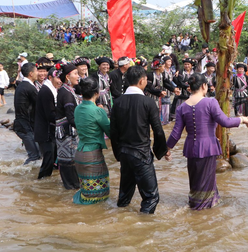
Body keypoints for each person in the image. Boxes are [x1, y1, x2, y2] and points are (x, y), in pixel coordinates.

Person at [167, 74, 248, 209]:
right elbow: (225, 122)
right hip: (208, 148)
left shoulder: (182, 107)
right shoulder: (210, 102)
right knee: (206, 183)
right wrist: (243, 119)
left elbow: (176, 133)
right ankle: (203, 211)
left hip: (191, 148)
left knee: (195, 183)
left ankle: (195, 209)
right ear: (203, 86)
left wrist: (167, 149)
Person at [109, 65, 170, 214]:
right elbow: (158, 131)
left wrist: (118, 153)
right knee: (151, 197)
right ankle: (144, 228)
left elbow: (113, 131)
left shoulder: (117, 102)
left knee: (124, 195)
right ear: (142, 80)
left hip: (124, 153)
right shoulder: (148, 102)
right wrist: (161, 151)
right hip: (141, 153)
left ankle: (121, 222)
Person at [73, 76, 111, 205]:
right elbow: (110, 131)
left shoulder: (77, 109)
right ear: (97, 92)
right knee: (99, 197)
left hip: (79, 153)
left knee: (86, 194)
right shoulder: (98, 111)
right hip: (93, 156)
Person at [55, 63, 82, 189]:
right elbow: (71, 118)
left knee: (68, 163)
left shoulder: (68, 91)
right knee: (70, 162)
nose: (78, 76)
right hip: (67, 134)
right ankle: (72, 188)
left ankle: (70, 187)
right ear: (67, 77)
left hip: (67, 134)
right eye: (75, 74)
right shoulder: (66, 94)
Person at [35, 67, 61, 180]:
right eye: (58, 78)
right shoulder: (46, 91)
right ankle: (41, 183)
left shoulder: (51, 89)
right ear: (50, 77)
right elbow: (50, 114)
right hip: (45, 132)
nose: (60, 80)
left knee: (52, 158)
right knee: (48, 160)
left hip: (49, 130)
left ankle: (48, 183)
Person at [13, 64, 41, 165]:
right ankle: (22, 176)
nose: (38, 73)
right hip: (25, 127)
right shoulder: (29, 88)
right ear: (31, 74)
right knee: (35, 156)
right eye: (36, 71)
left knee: (36, 155)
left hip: (22, 125)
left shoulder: (22, 85)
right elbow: (40, 105)